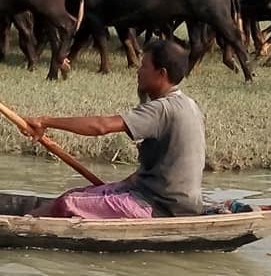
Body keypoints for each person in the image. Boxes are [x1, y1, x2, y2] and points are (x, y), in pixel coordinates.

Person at [22, 40, 205, 219]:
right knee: (78, 193)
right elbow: (165, 166)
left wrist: (45, 122)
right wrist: (122, 185)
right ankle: (29, 218)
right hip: (178, 202)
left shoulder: (161, 109)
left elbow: (101, 126)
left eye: (144, 66)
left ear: (161, 73)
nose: (138, 71)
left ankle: (24, 225)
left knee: (67, 203)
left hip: (160, 207)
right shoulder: (189, 104)